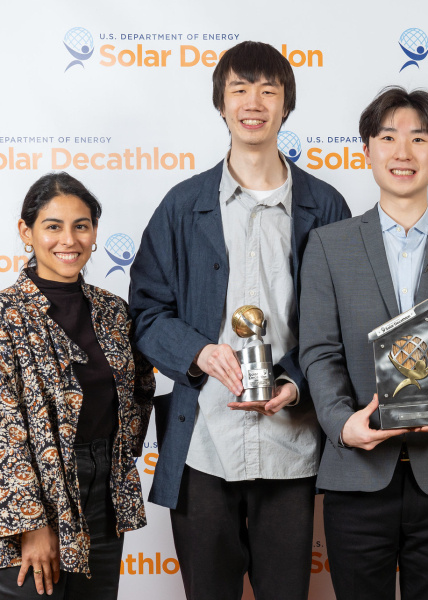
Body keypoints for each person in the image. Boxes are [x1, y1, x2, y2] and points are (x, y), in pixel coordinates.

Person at [128, 41, 350, 600]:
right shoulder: (182, 206)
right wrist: (198, 352)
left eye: (268, 90)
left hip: (292, 445)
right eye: (240, 89)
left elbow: (342, 323)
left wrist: (295, 381)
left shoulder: (325, 207)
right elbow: (146, 313)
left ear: (286, 105)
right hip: (203, 442)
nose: (254, 103)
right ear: (221, 103)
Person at [299, 87, 428, 600]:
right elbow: (319, 351)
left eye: (419, 138)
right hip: (357, 474)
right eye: (388, 137)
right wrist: (341, 423)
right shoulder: (328, 245)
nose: (403, 152)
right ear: (367, 149)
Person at [0, 173, 155, 599]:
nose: (69, 240)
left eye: (81, 226)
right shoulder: (6, 315)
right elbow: (3, 429)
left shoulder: (113, 311)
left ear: (94, 232)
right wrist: (31, 524)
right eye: (53, 226)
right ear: (26, 232)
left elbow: (139, 389)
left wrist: (118, 457)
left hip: (105, 493)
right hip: (31, 494)